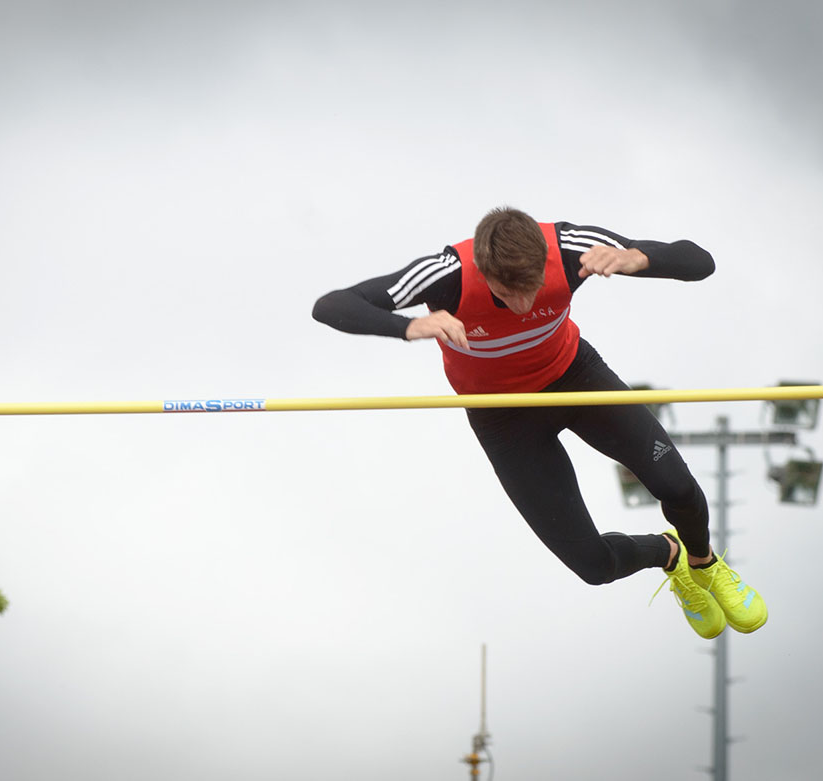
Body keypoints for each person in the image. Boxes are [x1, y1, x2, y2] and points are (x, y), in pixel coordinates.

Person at [312, 207, 766, 639]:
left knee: (678, 487)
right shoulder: (445, 274)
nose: (525, 303)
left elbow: (700, 262)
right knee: (594, 566)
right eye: (510, 295)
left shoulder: (570, 248)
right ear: (487, 273)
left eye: (532, 288)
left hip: (576, 379)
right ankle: (671, 555)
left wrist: (641, 257)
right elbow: (331, 305)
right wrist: (408, 327)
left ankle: (706, 565)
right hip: (504, 418)